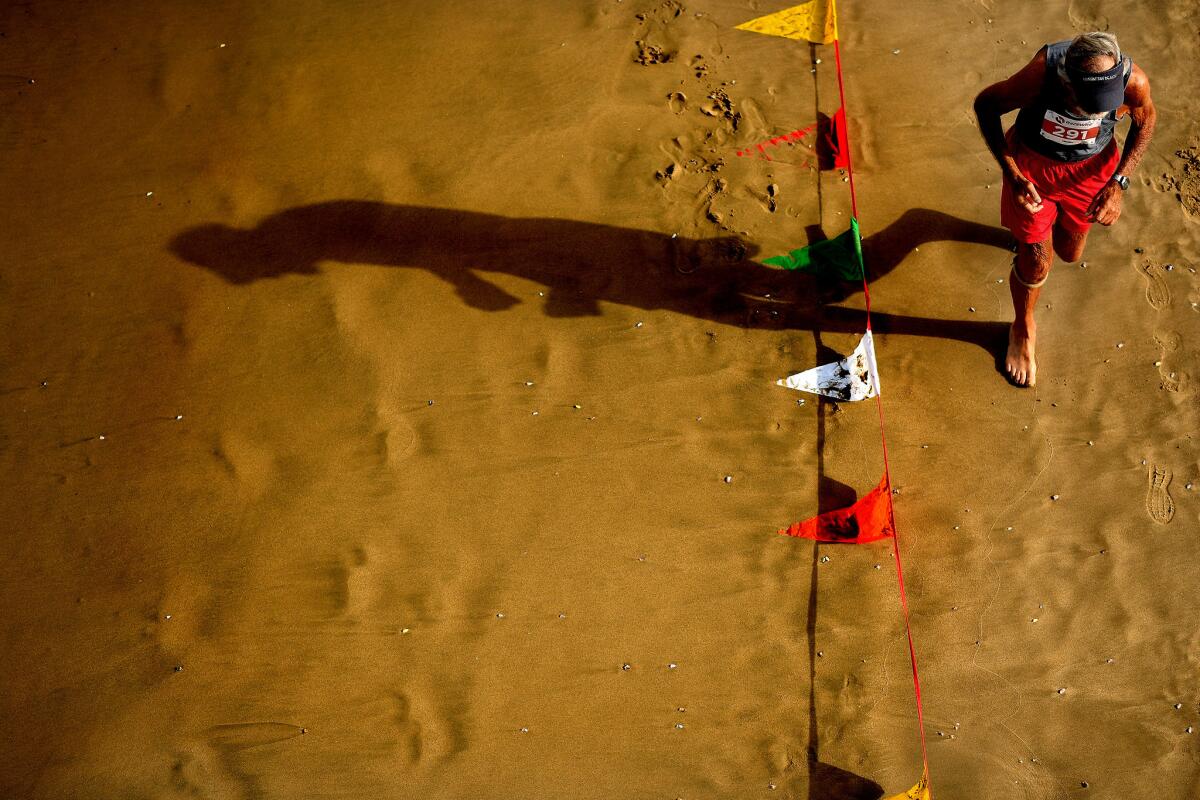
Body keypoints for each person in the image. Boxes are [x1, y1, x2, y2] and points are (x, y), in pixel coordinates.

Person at [973, 32, 1156, 386]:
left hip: (1092, 171)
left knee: (1069, 252)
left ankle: (1031, 241)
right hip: (1033, 166)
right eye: (1088, 106)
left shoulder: (1134, 82)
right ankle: (1023, 327)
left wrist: (1119, 184)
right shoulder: (1040, 76)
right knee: (1038, 259)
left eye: (1106, 106)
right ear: (1067, 84)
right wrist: (1012, 176)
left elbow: (1146, 122)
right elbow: (985, 105)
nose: (1101, 114)